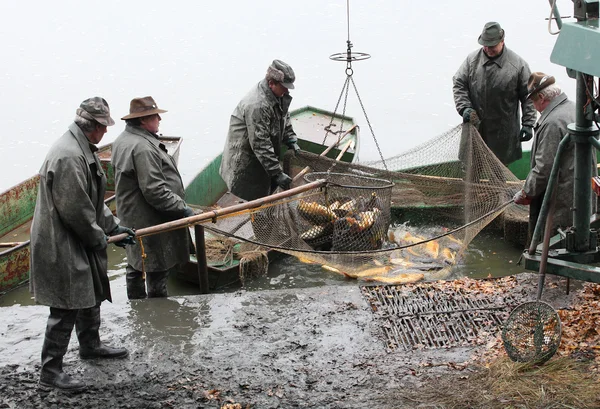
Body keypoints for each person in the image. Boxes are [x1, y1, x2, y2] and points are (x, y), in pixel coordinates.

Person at [30, 97, 136, 391]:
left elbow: (93, 200)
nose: (105, 133)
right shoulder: (68, 157)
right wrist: (98, 237)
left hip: (74, 235)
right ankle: (50, 372)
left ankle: (90, 345)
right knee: (67, 301)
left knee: (89, 287)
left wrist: (113, 226)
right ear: (96, 127)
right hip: (60, 240)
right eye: (104, 127)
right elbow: (76, 210)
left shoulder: (82, 149)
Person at [111, 96, 194, 300]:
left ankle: (137, 308)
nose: (159, 119)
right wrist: (182, 208)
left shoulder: (123, 139)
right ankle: (157, 311)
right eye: (156, 116)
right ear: (142, 120)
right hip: (149, 219)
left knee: (136, 265)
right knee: (156, 267)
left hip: (131, 216)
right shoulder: (142, 148)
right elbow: (155, 191)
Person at [512, 72, 587, 242]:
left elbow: (543, 168)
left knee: (553, 243)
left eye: (533, 102)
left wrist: (526, 192)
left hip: (562, 200)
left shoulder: (552, 123)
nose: (534, 107)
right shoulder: (573, 108)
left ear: (541, 97)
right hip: (580, 196)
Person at [453, 22, 537, 165]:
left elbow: (529, 96)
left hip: (503, 131)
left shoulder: (518, 65)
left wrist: (528, 124)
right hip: (475, 126)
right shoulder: (471, 61)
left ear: (502, 41)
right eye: (485, 45)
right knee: (470, 168)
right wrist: (464, 107)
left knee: (499, 170)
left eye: (491, 45)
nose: (487, 48)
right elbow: (459, 83)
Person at [219, 59, 301, 201]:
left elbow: (284, 116)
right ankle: (258, 219)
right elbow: (260, 143)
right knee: (256, 198)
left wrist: (290, 138)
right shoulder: (257, 105)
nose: (287, 90)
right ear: (271, 83)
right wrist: (276, 173)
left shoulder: (278, 94)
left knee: (267, 192)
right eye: (284, 86)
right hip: (245, 159)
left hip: (262, 154)